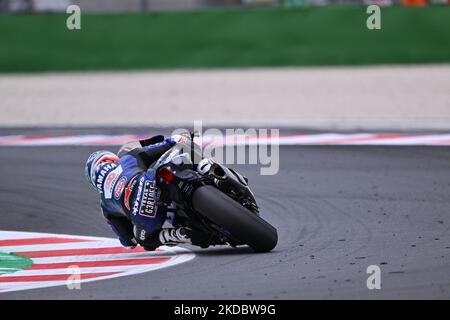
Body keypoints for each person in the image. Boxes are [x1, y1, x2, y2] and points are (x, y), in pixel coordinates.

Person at [84, 134, 211, 251]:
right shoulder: (127, 158)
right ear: (111, 159)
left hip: (141, 212)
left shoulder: (105, 205)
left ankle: (175, 234)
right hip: (149, 181)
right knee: (182, 148)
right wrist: (177, 139)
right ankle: (206, 168)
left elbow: (129, 242)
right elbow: (162, 146)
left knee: (144, 240)